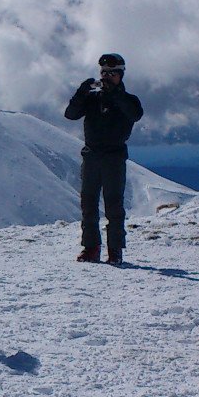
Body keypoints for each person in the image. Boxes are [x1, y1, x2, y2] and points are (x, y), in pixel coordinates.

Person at [64, 52, 144, 264]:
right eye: (104, 73)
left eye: (112, 73)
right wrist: (81, 93)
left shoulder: (129, 100)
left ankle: (115, 249)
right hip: (91, 155)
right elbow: (70, 114)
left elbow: (135, 114)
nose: (107, 77)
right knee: (88, 203)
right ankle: (91, 247)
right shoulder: (91, 99)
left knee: (114, 204)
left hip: (114, 157)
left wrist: (115, 94)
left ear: (121, 75)